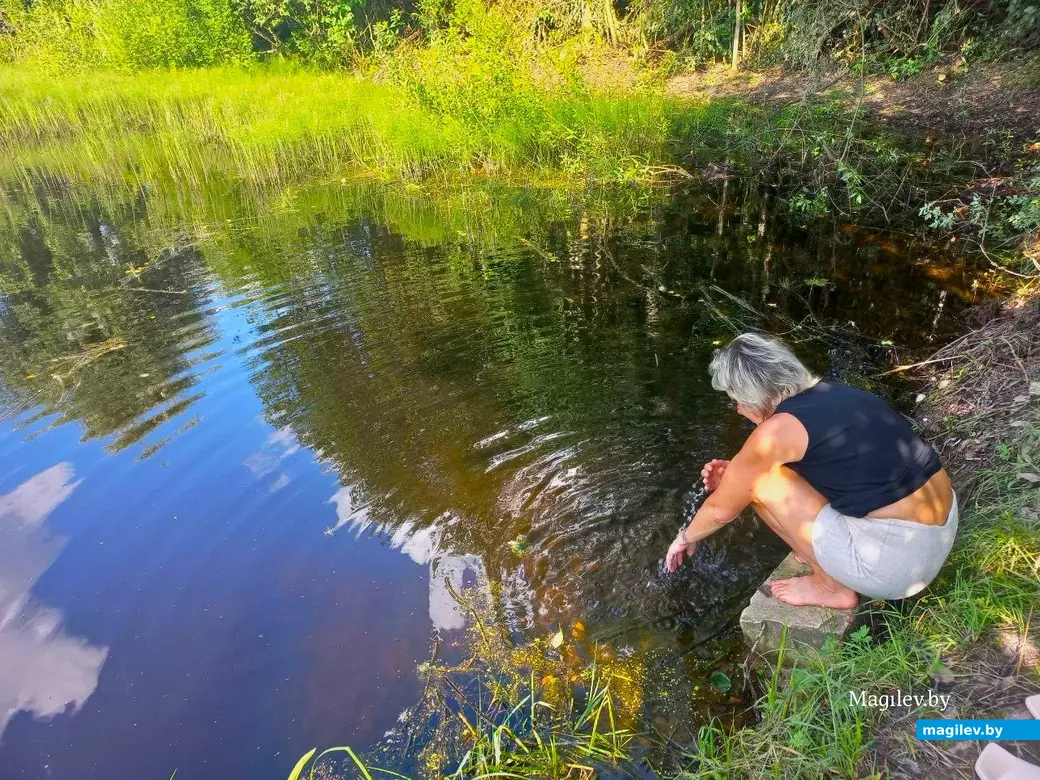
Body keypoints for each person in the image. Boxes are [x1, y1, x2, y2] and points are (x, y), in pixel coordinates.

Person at [665, 333, 957, 608]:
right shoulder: (839, 393)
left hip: (897, 567)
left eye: (736, 400)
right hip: (940, 530)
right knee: (760, 477)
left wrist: (685, 538)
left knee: (762, 485)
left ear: (753, 398)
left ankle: (830, 586)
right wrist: (737, 477)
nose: (738, 409)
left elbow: (720, 511)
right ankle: (824, 556)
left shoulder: (775, 432)